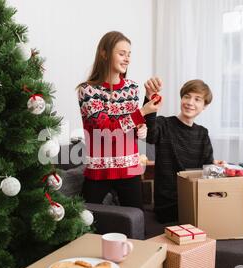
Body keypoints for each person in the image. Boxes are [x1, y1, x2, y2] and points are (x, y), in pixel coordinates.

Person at [77, 31, 162, 209]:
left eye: (129, 54)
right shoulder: (88, 91)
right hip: (99, 172)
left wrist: (141, 128)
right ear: (104, 53)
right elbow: (106, 131)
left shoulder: (132, 88)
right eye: (121, 53)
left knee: (136, 224)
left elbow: (133, 127)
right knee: (84, 225)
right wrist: (142, 112)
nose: (127, 59)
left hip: (130, 169)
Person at [143, 78, 225, 222]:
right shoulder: (164, 124)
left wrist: (221, 171)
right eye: (187, 96)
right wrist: (149, 98)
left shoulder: (202, 133)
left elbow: (209, 170)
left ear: (204, 106)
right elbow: (149, 135)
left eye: (197, 99)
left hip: (195, 202)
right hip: (168, 206)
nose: (190, 102)